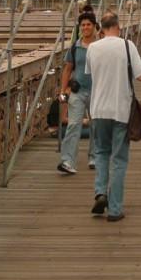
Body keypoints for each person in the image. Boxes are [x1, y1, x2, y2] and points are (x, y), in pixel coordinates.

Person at [85, 13, 141, 221]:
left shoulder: (92, 48)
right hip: (121, 109)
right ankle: (115, 209)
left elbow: (91, 74)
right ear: (118, 27)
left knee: (101, 153)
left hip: (98, 109)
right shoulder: (128, 46)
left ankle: (101, 192)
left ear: (100, 29)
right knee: (119, 160)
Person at [57, 13, 98, 175]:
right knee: (74, 125)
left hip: (97, 92)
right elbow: (68, 69)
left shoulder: (100, 46)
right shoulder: (75, 47)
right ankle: (67, 161)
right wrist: (62, 91)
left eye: (88, 24)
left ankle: (94, 157)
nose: (85, 27)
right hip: (78, 91)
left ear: (94, 26)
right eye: (83, 25)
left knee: (96, 125)